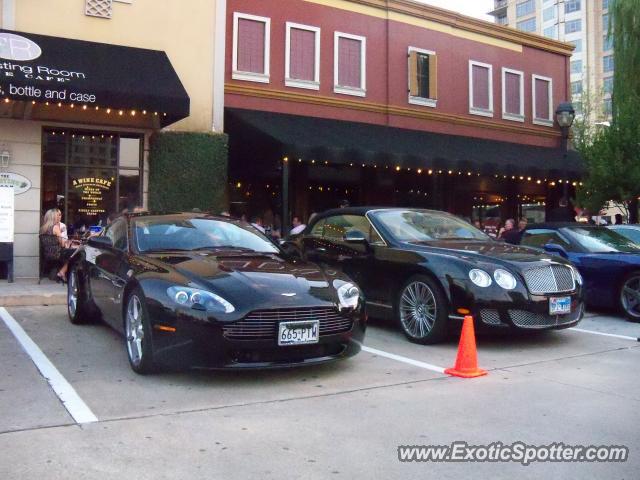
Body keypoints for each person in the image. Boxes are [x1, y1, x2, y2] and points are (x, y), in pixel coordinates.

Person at [40, 209, 78, 283]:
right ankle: (62, 272)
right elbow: (63, 244)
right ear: (53, 217)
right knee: (75, 254)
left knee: (72, 252)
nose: (59, 217)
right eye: (57, 216)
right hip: (57, 254)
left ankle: (61, 272)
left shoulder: (42, 228)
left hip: (46, 254)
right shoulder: (56, 227)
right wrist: (70, 243)